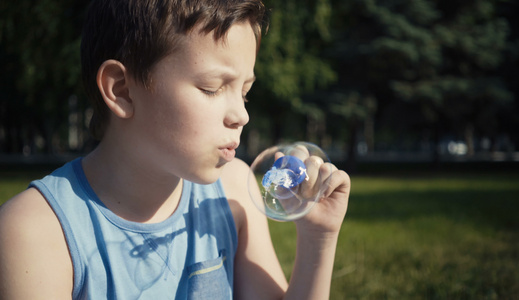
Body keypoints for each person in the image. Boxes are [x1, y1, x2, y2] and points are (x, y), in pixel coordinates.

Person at [0, 0, 350, 299]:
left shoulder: (231, 195)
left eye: (244, 92)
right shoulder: (36, 231)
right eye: (212, 87)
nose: (242, 115)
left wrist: (317, 236)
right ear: (122, 90)